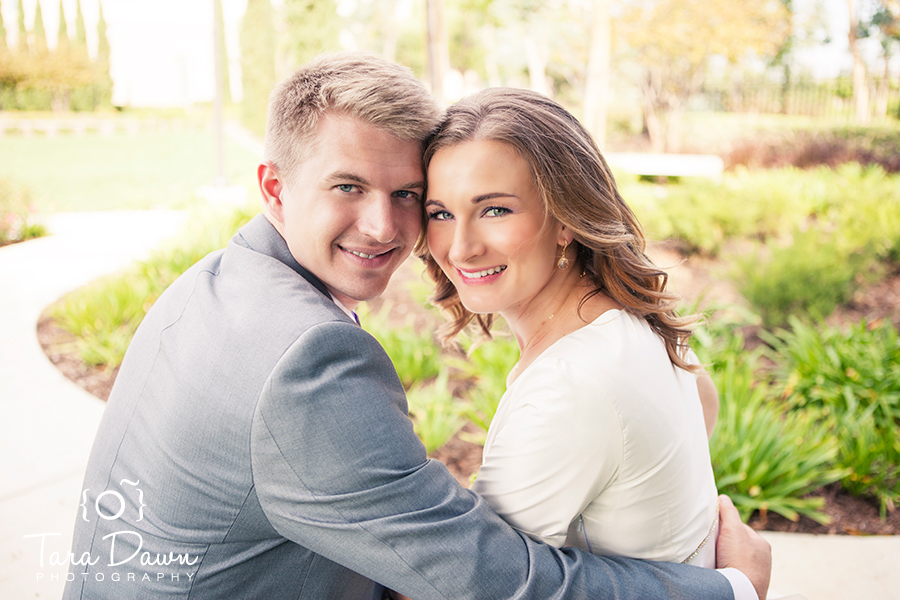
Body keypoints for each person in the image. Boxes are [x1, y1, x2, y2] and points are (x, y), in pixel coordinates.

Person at [63, 52, 770, 600]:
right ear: (276, 187)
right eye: (348, 187)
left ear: (564, 219)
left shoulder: (210, 283)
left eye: (407, 196)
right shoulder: (307, 358)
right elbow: (473, 578)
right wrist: (727, 589)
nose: (384, 227)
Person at [419, 88, 723, 567]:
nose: (460, 248)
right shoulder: (633, 326)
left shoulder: (567, 386)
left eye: (495, 209)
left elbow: (467, 580)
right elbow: (705, 406)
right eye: (441, 213)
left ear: (566, 218)